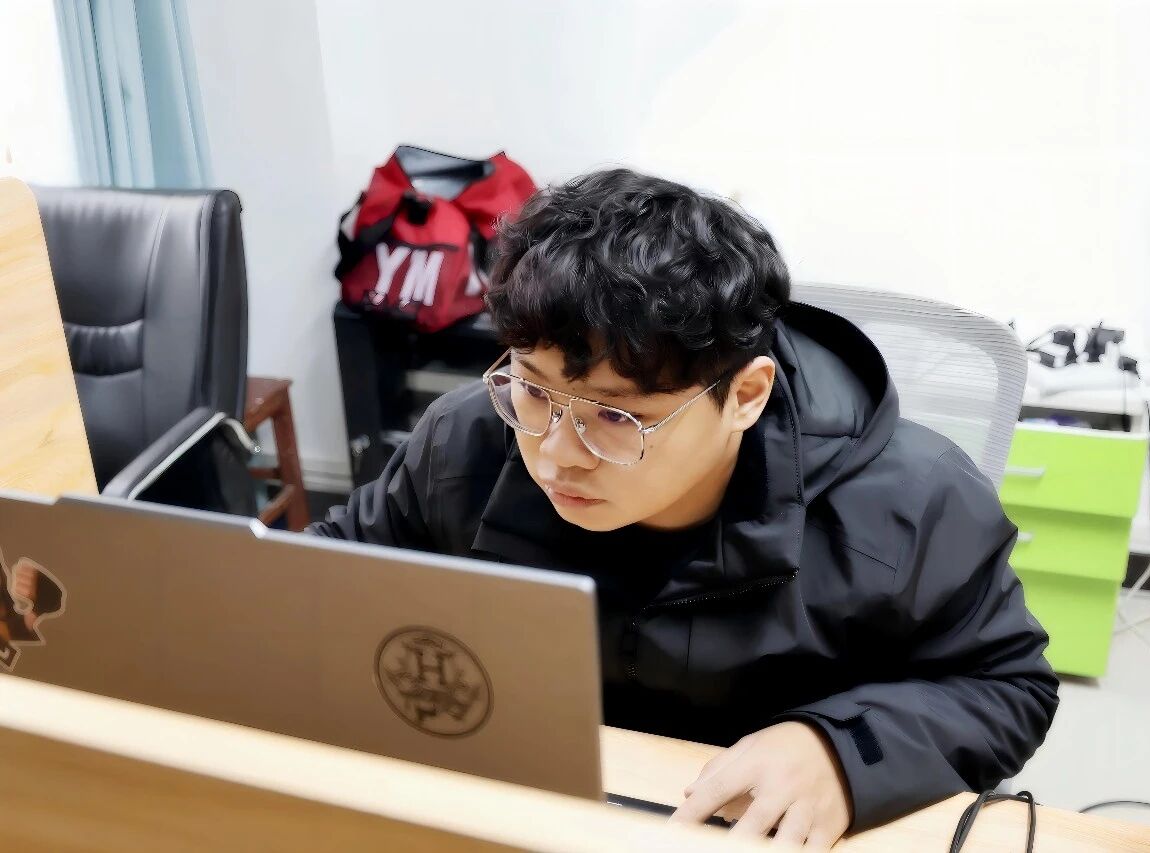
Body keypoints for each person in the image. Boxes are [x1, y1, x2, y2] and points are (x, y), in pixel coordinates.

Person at [310, 168, 1058, 847]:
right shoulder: (470, 439)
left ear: (746, 396)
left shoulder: (911, 503)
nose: (555, 453)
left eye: (615, 416)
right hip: (533, 801)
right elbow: (326, 580)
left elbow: (1005, 685)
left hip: (752, 828)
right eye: (534, 389)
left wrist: (843, 750)